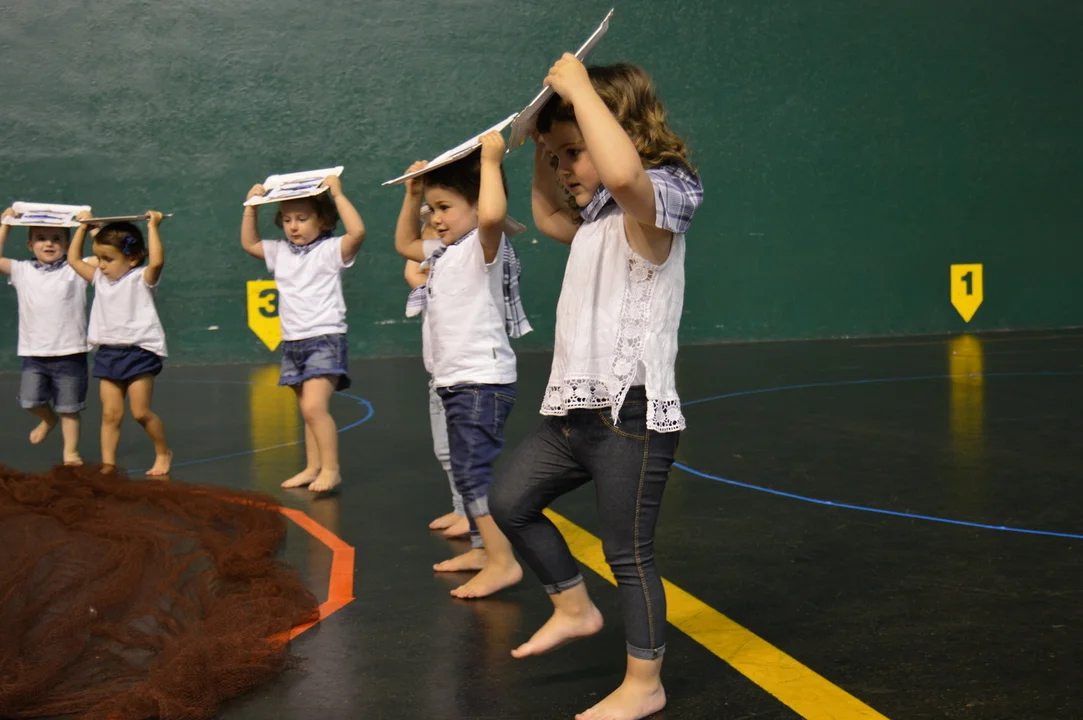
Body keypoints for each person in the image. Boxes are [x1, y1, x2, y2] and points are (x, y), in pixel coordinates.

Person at [490, 57, 704, 720]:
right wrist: (539, 148)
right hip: (574, 413)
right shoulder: (597, 218)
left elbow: (624, 175)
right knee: (509, 501)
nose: (564, 170)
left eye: (573, 152)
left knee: (628, 555)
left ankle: (645, 684)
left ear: (622, 130)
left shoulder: (659, 199)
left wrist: (580, 89)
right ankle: (573, 606)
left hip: (630, 415)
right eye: (558, 158)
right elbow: (548, 217)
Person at [393, 131, 531, 598]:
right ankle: (480, 547)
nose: (435, 218)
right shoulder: (446, 252)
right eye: (431, 209)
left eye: (444, 207)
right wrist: (413, 196)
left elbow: (491, 214)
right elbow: (404, 242)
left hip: (480, 382)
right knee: (465, 470)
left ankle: (502, 561)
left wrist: (490, 162)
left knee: (474, 472)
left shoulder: (483, 247)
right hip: (456, 382)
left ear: (475, 206)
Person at [240, 175, 366, 492]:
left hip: (325, 339)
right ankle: (313, 467)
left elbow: (357, 233)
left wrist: (338, 194)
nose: (293, 226)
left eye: (302, 219)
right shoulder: (280, 251)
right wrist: (251, 207)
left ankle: (332, 469)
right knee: (307, 412)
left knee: (314, 408)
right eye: (287, 220)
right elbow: (249, 244)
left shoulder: (331, 249)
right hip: (293, 342)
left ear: (323, 221)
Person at [68, 211, 174, 476]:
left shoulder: (141, 279)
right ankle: (109, 465)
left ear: (133, 258)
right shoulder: (99, 279)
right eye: (99, 258)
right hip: (108, 353)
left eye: (108, 259)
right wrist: (83, 228)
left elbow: (157, 261)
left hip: (139, 353)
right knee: (110, 414)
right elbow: (73, 260)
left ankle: (163, 452)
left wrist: (153, 226)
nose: (101, 265)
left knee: (140, 412)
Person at [0, 207, 96, 465]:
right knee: (30, 400)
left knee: (70, 408)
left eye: (56, 239)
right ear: (30, 245)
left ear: (68, 244)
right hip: (34, 354)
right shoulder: (21, 270)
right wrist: (5, 224)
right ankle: (47, 419)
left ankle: (70, 453)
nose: (49, 244)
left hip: (71, 352)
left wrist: (91, 226)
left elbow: (107, 255)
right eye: (41, 238)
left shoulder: (77, 268)